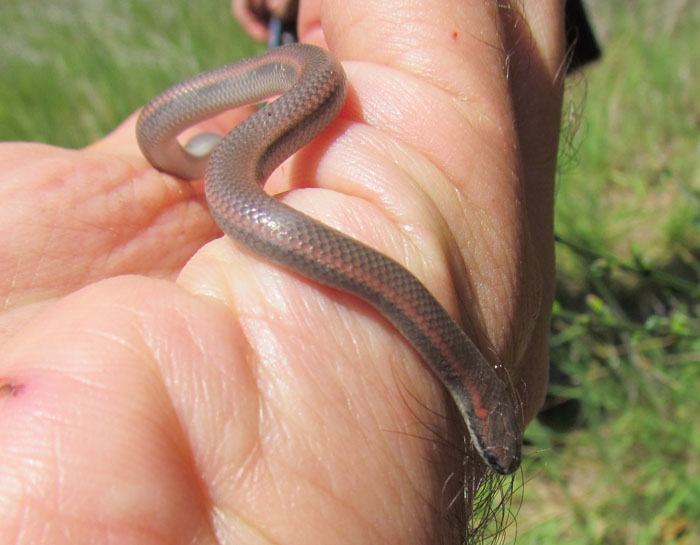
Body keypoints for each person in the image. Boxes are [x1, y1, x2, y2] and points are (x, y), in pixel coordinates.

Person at [0, 0, 563, 542]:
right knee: (308, 83)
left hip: (242, 138)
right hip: (262, 113)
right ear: (476, 408)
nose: (495, 457)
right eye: (491, 449)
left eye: (496, 451)